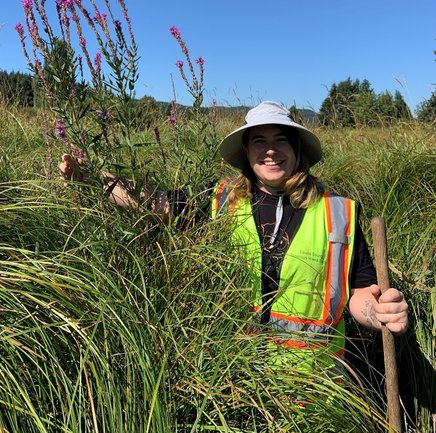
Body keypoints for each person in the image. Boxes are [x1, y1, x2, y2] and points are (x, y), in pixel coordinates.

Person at [60, 101, 408, 372]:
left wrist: (379, 313)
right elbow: (155, 203)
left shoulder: (339, 213)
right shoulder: (221, 201)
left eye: (280, 140)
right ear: (246, 153)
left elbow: (360, 293)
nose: (270, 150)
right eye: (259, 141)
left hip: (315, 393)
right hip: (236, 383)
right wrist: (93, 179)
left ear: (298, 150)